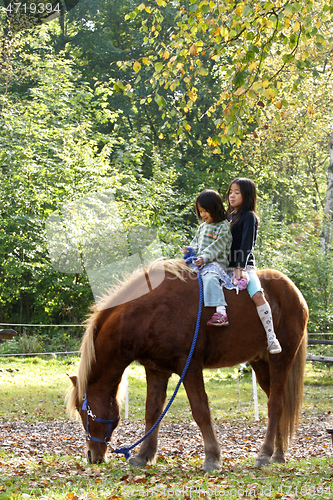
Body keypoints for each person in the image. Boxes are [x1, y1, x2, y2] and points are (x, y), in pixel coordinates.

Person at [227, 178, 282, 354]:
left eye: (237, 192)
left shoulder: (249, 217)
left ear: (247, 195)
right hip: (223, 266)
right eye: (230, 192)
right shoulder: (228, 217)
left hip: (244, 267)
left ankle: (271, 337)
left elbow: (246, 245)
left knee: (257, 295)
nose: (232, 196)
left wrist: (239, 267)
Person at [183, 189, 232, 326]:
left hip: (216, 263)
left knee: (210, 277)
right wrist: (190, 250)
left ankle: (221, 312)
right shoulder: (203, 227)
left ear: (215, 208)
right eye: (200, 211)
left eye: (205, 210)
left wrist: (204, 258)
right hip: (201, 261)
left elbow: (216, 248)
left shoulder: (223, 227)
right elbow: (196, 243)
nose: (202, 214)